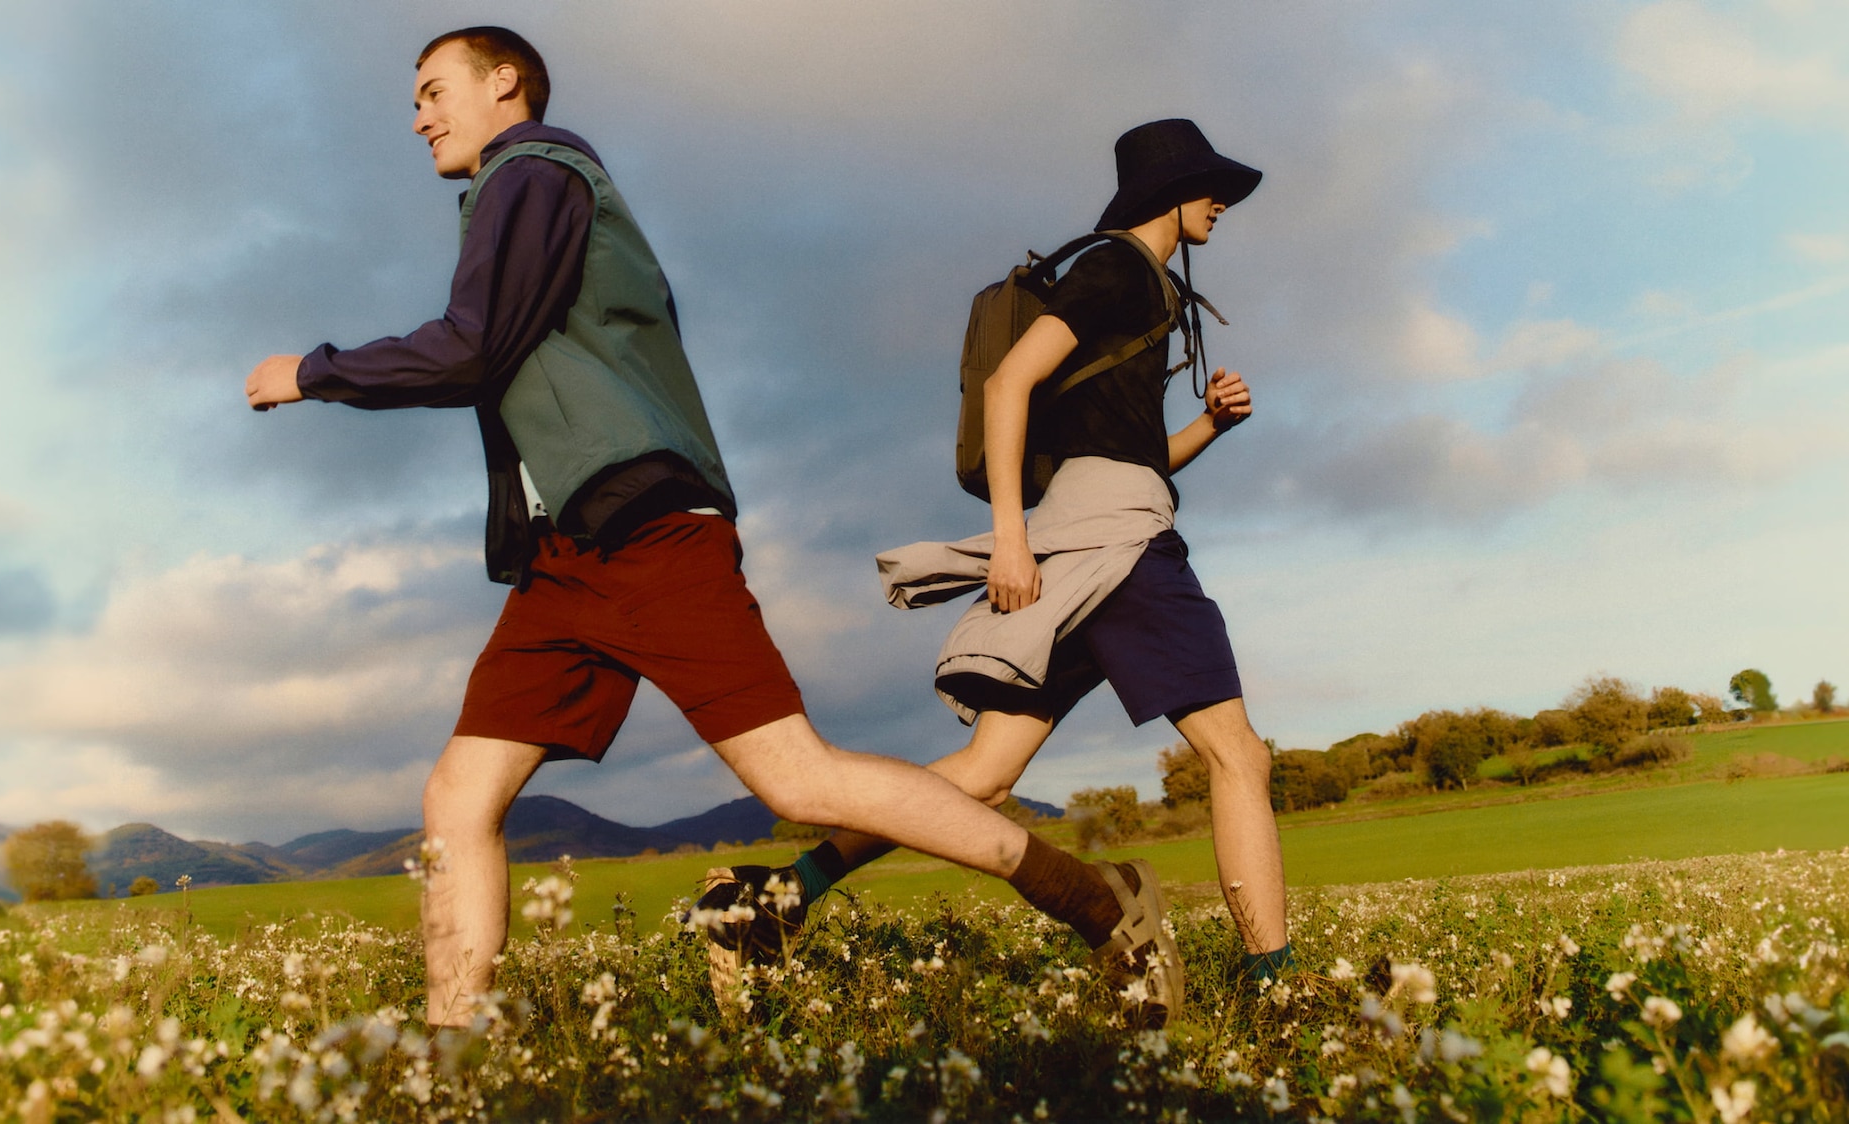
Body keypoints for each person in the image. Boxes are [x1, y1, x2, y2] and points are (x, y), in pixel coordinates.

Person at [243, 27, 1182, 1029]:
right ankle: (449, 1054)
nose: (419, 117)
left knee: (799, 779)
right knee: (458, 797)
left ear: (504, 82)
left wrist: (313, 371)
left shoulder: (532, 172)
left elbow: (471, 346)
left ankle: (1098, 900)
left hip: (645, 529)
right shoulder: (516, 192)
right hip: (568, 554)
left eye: (433, 91)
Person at [700, 119, 1296, 987]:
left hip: (1086, 536)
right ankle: (1274, 985)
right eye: (1211, 188)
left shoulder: (1138, 282)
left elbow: (1123, 457)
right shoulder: (1118, 269)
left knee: (984, 773)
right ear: (1170, 192)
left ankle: (778, 897)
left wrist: (1208, 425)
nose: (1222, 204)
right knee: (1239, 754)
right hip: (1121, 548)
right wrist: (1010, 541)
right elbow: (1007, 381)